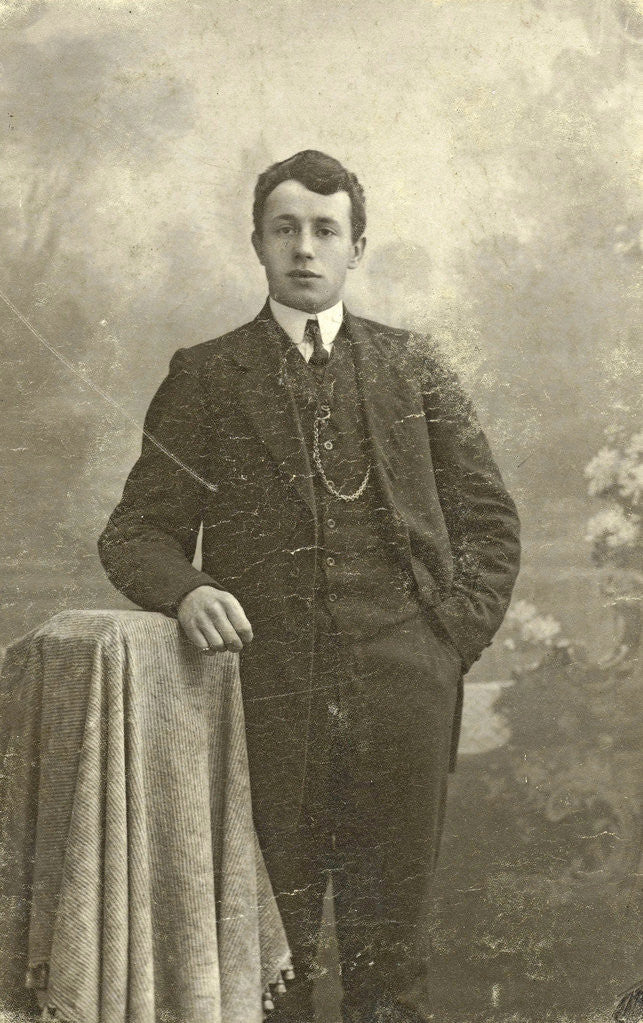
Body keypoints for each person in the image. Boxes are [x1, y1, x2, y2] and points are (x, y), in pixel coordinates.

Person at [98, 150, 521, 1023]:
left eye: (325, 229)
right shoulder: (207, 375)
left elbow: (490, 525)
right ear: (257, 242)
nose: (304, 247)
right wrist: (186, 590)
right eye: (284, 228)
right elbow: (136, 531)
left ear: (356, 247)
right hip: (266, 701)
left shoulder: (415, 368)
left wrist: (442, 646)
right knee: (268, 959)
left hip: (401, 698)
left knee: (390, 956)